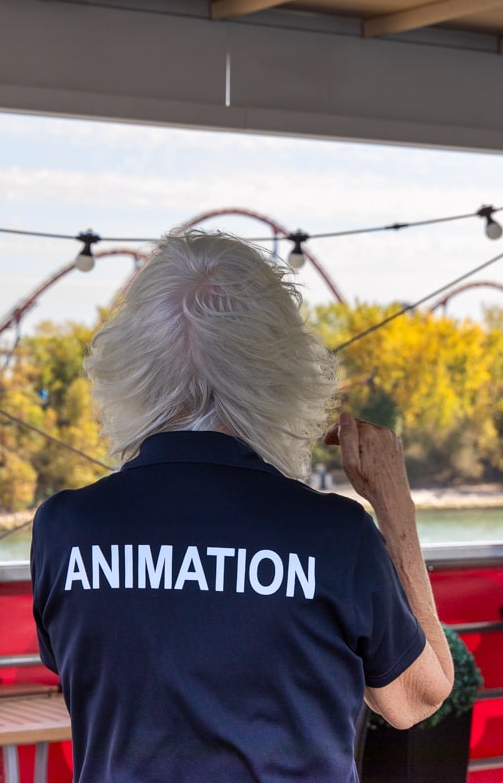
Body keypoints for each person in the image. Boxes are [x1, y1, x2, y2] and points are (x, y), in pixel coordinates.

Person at [30, 229, 453, 782]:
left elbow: (93, 677)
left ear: (129, 364)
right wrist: (396, 512)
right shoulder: (335, 536)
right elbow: (416, 700)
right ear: (279, 368)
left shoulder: (65, 528)